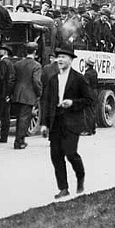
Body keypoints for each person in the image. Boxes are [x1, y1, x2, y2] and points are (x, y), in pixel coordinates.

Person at [39, 47, 93, 199]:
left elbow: (89, 100)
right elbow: (47, 102)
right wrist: (44, 123)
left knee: (70, 153)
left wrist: (73, 103)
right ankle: (63, 188)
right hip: (56, 122)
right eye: (58, 57)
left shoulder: (79, 78)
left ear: (71, 60)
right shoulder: (52, 79)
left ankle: (80, 177)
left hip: (72, 122)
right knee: (56, 156)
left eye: (63, 57)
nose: (60, 60)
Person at [11, 42, 42, 150]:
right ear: (35, 51)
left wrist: (11, 93)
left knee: (20, 118)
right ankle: (19, 142)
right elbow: (36, 81)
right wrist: (39, 93)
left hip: (17, 94)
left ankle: (18, 140)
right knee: (24, 119)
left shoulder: (17, 64)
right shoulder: (37, 66)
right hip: (28, 95)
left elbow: (13, 79)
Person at [0, 44, 15, 143]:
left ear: (5, 52)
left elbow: (0, 78)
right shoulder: (10, 63)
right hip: (6, 93)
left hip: (1, 93)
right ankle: (4, 137)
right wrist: (8, 94)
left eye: (1, 50)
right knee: (6, 117)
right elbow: (11, 80)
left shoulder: (3, 63)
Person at [82, 57, 99, 136]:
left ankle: (88, 130)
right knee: (92, 111)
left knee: (88, 112)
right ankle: (93, 129)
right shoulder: (94, 72)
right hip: (94, 92)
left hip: (89, 93)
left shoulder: (87, 73)